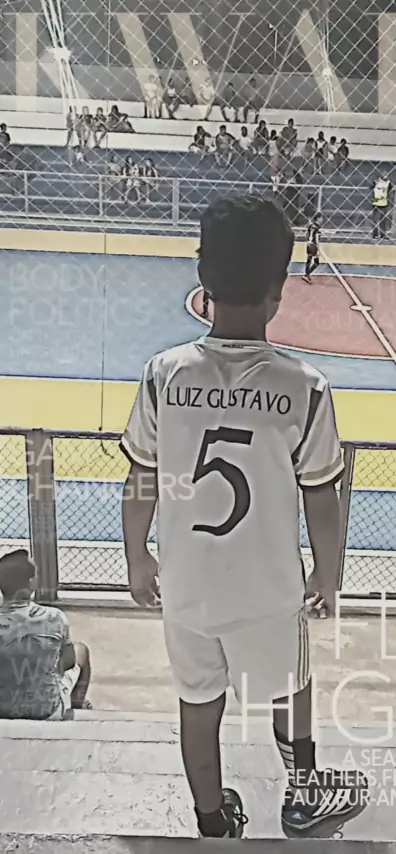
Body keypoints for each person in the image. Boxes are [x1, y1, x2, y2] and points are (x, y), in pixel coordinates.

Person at [120, 194, 366, 838]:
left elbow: (141, 477)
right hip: (269, 590)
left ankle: (212, 820)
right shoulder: (305, 386)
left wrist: (138, 556)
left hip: (188, 587)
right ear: (278, 290)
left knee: (198, 702)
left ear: (203, 279)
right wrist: (328, 572)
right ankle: (304, 798)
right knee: (291, 686)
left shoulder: (163, 375)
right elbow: (321, 494)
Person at [0, 549, 91, 720]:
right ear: (31, 582)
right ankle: (76, 704)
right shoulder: (54, 617)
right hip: (46, 710)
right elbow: (69, 662)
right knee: (81, 651)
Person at [302, 212, 322, 284]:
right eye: (321, 218)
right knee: (316, 262)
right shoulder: (318, 227)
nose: (322, 219)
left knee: (309, 260)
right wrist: (318, 249)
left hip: (308, 244)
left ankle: (306, 275)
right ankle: (306, 274)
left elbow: (307, 234)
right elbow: (317, 239)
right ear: (318, 218)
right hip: (313, 245)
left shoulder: (310, 226)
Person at [372, 175, 392, 239]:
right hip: (376, 203)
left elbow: (390, 189)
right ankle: (375, 234)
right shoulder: (375, 182)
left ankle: (382, 234)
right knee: (375, 220)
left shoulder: (387, 183)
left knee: (382, 220)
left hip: (383, 203)